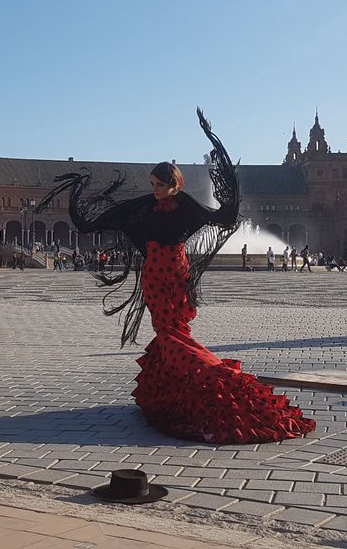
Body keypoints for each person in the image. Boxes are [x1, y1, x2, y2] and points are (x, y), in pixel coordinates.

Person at [37, 110, 314, 444]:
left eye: (160, 185)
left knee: (173, 332)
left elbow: (221, 216)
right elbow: (108, 218)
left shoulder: (185, 205)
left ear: (175, 185)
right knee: (168, 330)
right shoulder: (146, 206)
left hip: (176, 272)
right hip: (154, 274)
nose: (154, 190)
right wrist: (80, 205)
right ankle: (174, 390)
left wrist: (224, 166)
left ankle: (208, 378)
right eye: (152, 185)